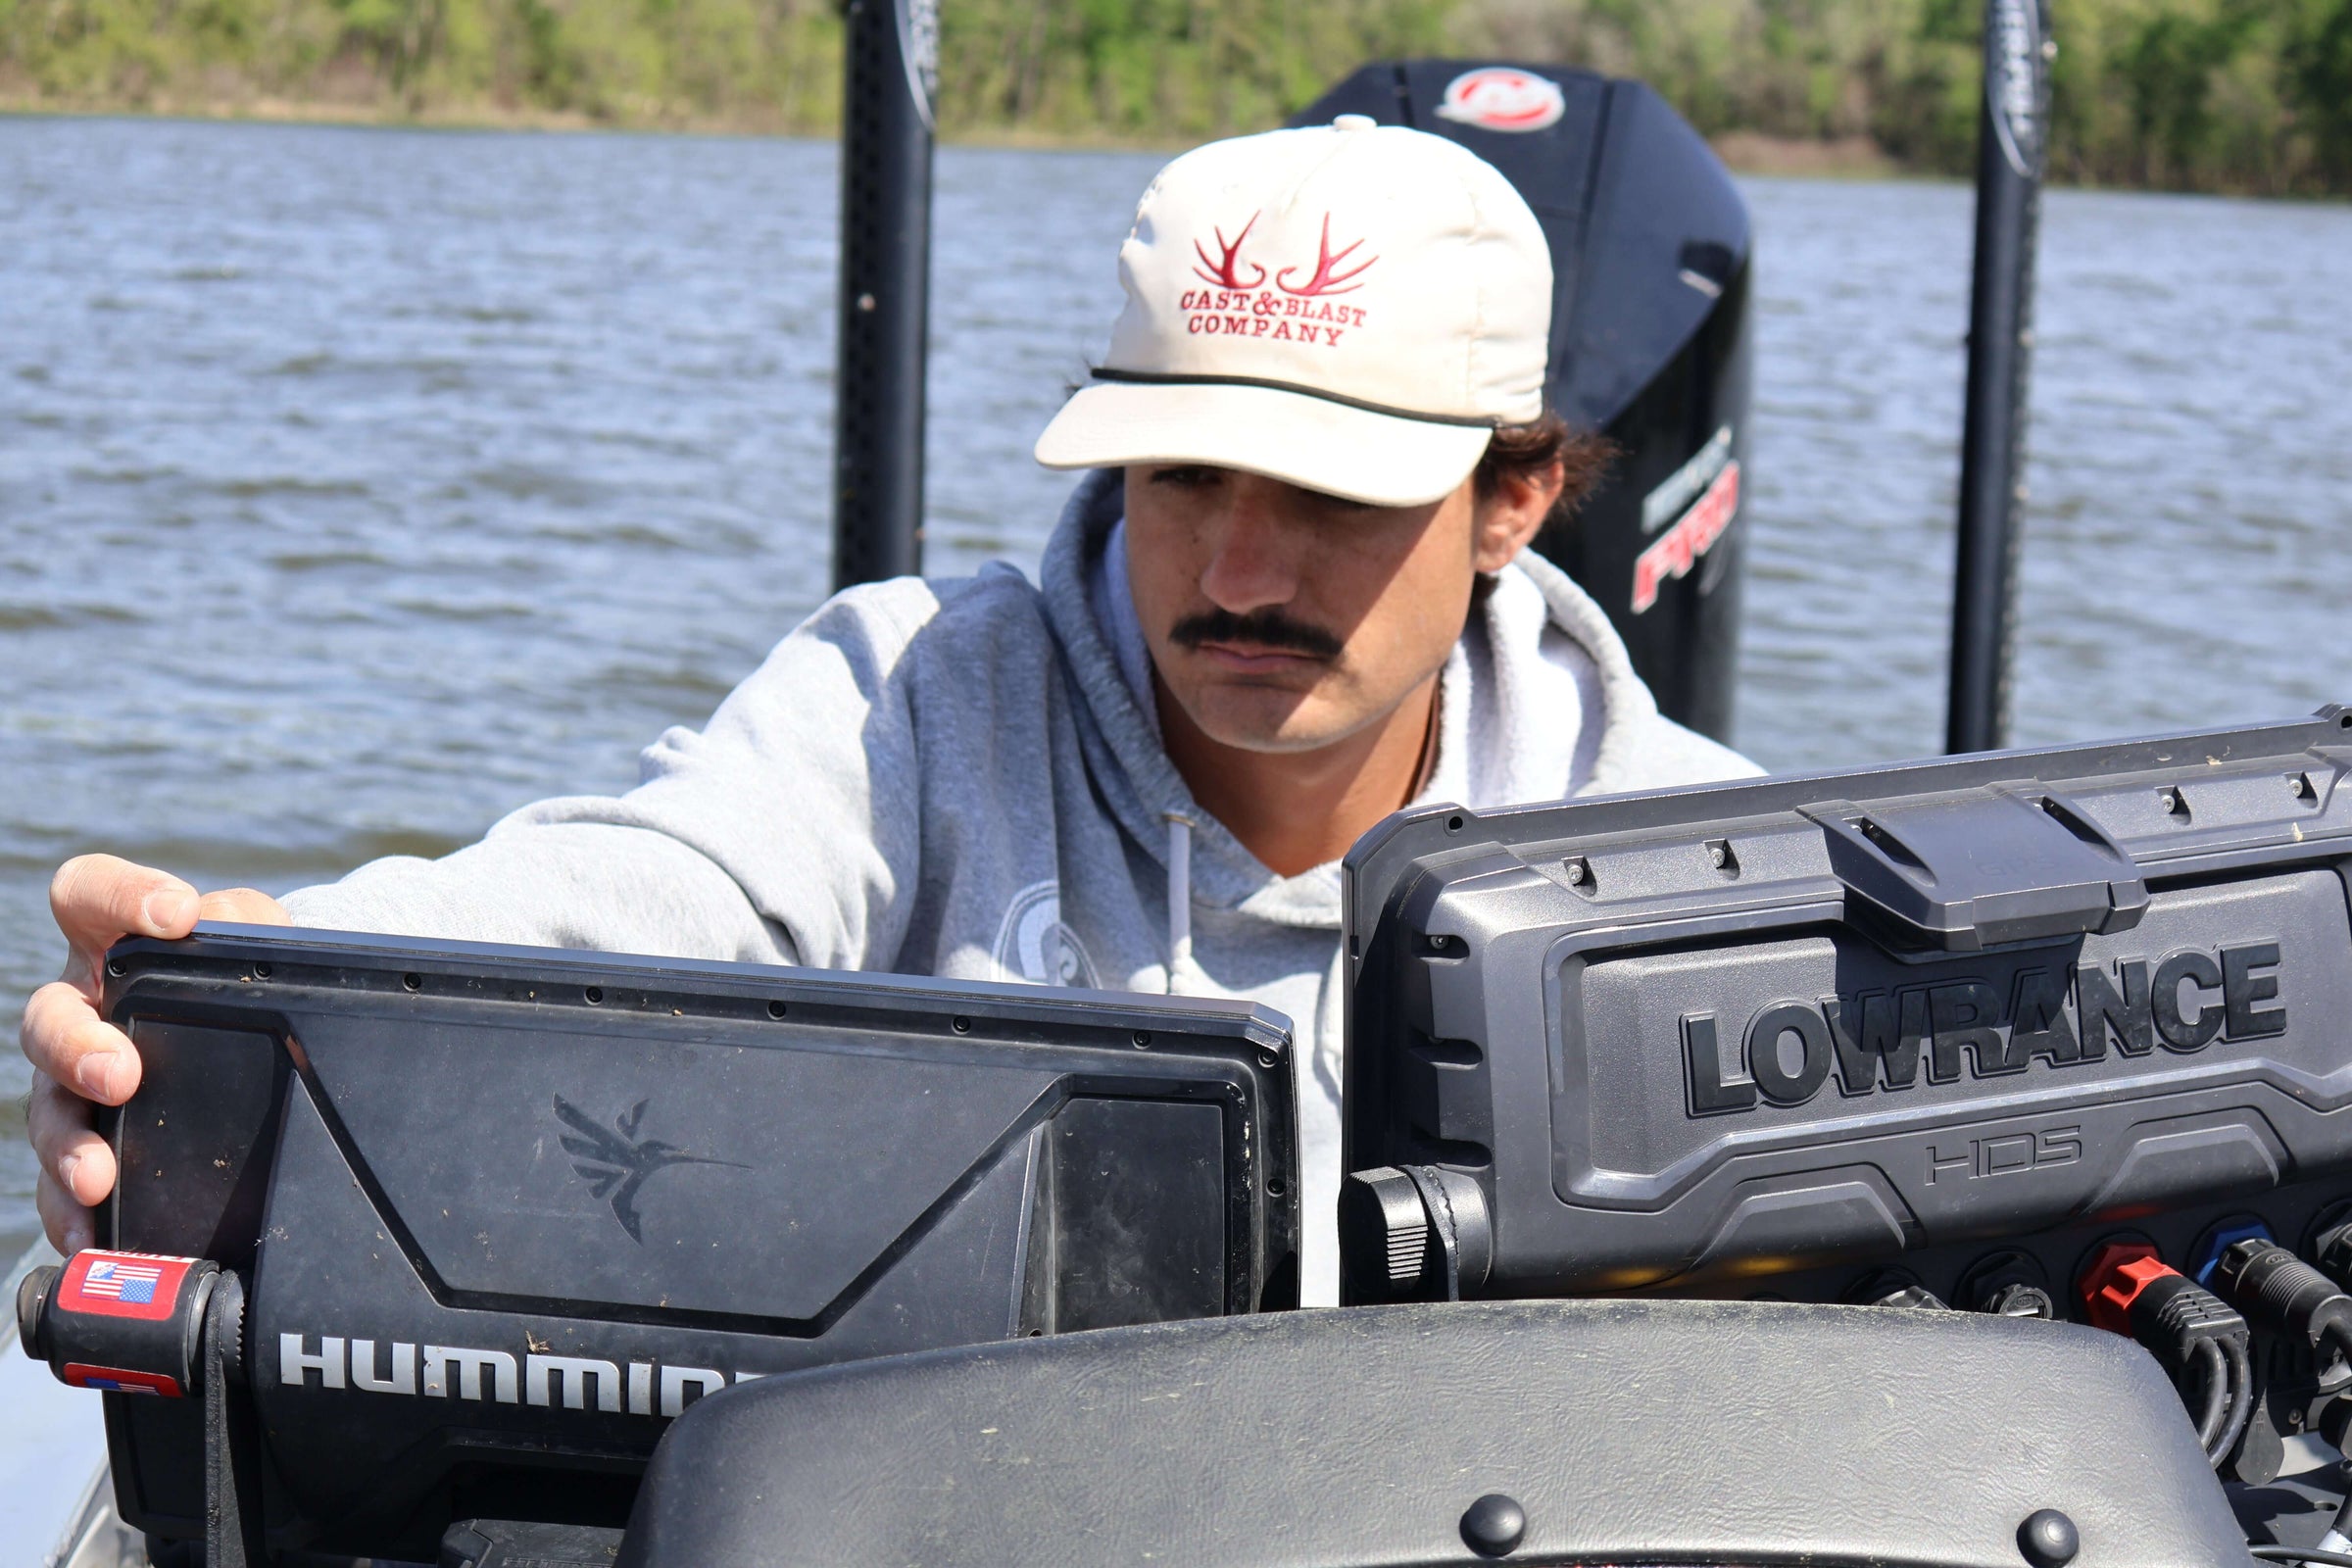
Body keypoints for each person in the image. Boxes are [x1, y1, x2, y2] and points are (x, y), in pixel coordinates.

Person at [20, 116, 1759, 1304]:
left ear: (1517, 496)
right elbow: (650, 886)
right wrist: (273, 969)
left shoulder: (1704, 866)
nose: (1236, 565)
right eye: (1182, 473)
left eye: (1327, 494)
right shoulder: (917, 696)